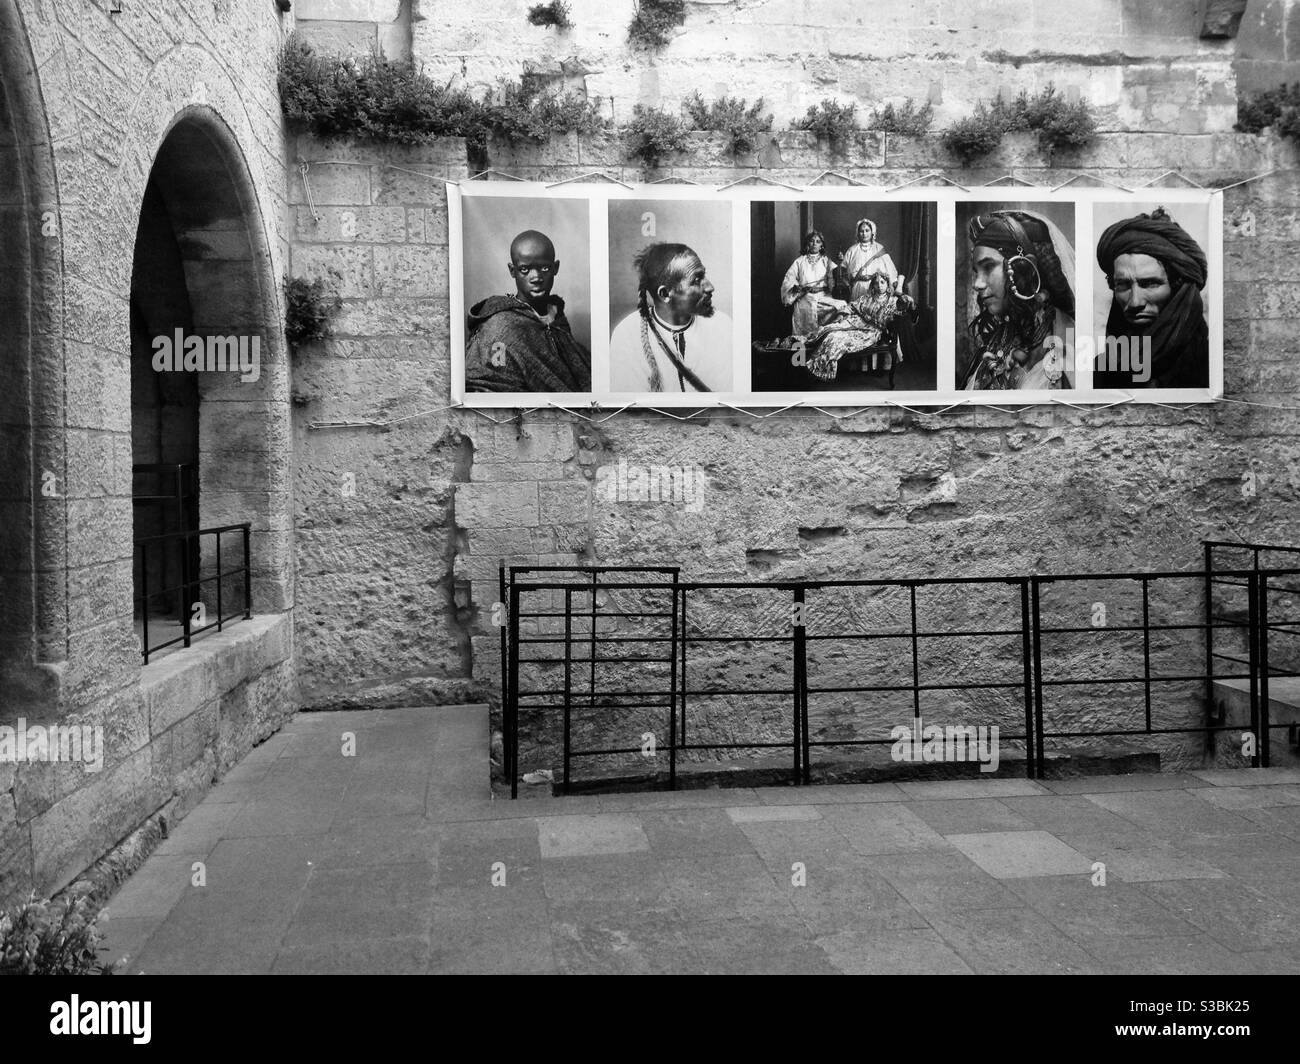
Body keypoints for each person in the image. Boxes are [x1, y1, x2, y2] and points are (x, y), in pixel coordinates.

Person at [1094, 207, 1209, 389]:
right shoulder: (1101, 371)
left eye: (1150, 284)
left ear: (1178, 286)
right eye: (1123, 285)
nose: (1134, 302)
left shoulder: (1210, 366)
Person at [962, 209, 1075, 391]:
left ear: (1023, 268)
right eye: (977, 271)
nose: (977, 284)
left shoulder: (1069, 340)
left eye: (988, 267)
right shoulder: (1001, 337)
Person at [465, 229, 591, 392]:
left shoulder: (555, 317)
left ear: (555, 268)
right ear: (512, 270)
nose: (536, 277)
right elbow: (486, 390)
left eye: (544, 268)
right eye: (525, 269)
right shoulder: (499, 328)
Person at [609, 242, 733, 392]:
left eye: (704, 275)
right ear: (665, 294)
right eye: (696, 280)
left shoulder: (721, 326)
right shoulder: (627, 335)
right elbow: (633, 406)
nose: (710, 287)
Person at [804, 273, 915, 381]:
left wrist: (906, 299)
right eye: (876, 283)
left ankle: (820, 369)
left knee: (836, 339)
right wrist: (842, 314)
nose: (879, 286)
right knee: (829, 333)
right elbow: (852, 306)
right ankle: (811, 362)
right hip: (854, 323)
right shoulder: (867, 297)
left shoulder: (892, 301)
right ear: (873, 285)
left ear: (887, 284)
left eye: (882, 282)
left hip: (870, 332)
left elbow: (903, 309)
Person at [780, 230, 846, 337]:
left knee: (842, 306)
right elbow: (789, 278)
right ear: (807, 244)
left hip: (823, 297)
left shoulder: (826, 261)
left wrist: (840, 263)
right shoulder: (799, 261)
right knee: (803, 326)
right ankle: (804, 347)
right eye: (812, 241)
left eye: (818, 241)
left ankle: (826, 338)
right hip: (805, 297)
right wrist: (795, 287)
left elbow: (839, 278)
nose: (814, 243)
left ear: (821, 246)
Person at [838, 218, 903, 302]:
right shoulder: (852, 250)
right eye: (861, 231)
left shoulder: (879, 249)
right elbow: (843, 271)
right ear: (858, 233)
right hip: (858, 287)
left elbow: (891, 270)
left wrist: (894, 284)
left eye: (867, 230)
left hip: (876, 288)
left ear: (872, 232)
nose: (864, 233)